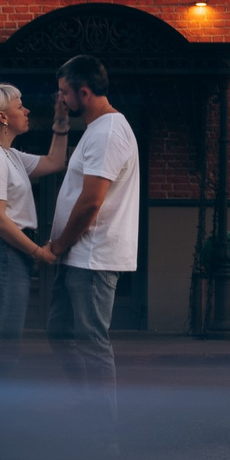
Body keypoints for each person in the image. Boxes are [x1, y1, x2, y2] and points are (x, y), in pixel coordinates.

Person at [43, 54, 141, 422]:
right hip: (78, 258)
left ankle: (103, 431)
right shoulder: (96, 130)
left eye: (64, 94)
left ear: (84, 92)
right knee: (60, 333)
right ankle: (88, 406)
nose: (60, 99)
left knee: (92, 343)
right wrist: (61, 119)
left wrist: (59, 245)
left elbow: (90, 203)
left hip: (92, 258)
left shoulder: (109, 133)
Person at [0, 83, 68, 370]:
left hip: (7, 256)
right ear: (2, 117)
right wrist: (38, 252)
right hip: (1, 255)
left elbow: (55, 161)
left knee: (1, 343)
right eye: (19, 105)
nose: (27, 110)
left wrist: (61, 120)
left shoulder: (9, 155)